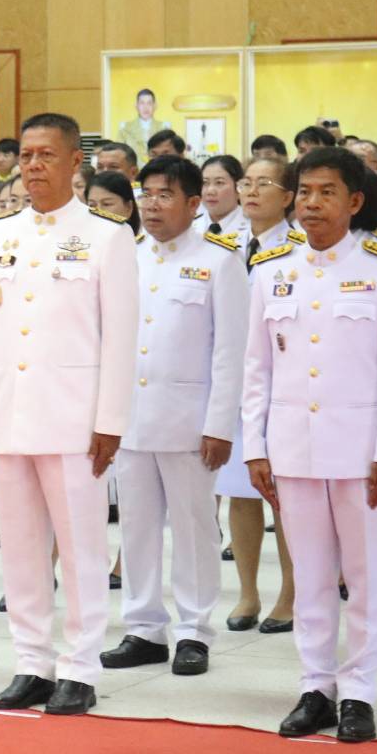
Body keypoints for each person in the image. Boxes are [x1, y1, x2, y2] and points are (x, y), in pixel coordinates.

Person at [243, 146, 377, 742]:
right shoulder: (271, 268)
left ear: (356, 201)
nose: (312, 204)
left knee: (365, 574)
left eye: (327, 193)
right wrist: (255, 446)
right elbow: (256, 368)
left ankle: (359, 692)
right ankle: (315, 685)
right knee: (310, 573)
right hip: (292, 446)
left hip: (361, 450)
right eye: (305, 192)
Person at [0, 113, 138, 715]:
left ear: (75, 164)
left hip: (74, 421)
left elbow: (121, 339)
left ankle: (81, 666)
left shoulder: (108, 236)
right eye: (27, 156)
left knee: (82, 547)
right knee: (19, 547)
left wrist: (110, 420)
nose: (33, 166)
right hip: (10, 416)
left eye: (47, 155)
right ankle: (31, 662)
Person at [101, 155, 246, 676]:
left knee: (193, 528)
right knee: (136, 527)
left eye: (165, 195)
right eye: (146, 194)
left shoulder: (220, 260)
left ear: (192, 203)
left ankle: (193, 630)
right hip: (133, 419)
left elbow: (232, 351)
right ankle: (142, 628)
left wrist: (219, 424)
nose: (152, 204)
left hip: (190, 421)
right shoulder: (129, 257)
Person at [219, 154, 301, 632]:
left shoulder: (300, 248)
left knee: (285, 497)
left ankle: (290, 593)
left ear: (287, 197)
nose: (250, 192)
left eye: (263, 183)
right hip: (236, 388)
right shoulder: (224, 246)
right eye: (245, 183)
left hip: (283, 387)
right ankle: (247, 593)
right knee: (239, 494)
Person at [195, 154, 246, 236]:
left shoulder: (254, 228)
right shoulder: (190, 226)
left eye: (219, 183)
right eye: (205, 183)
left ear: (239, 187)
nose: (210, 191)